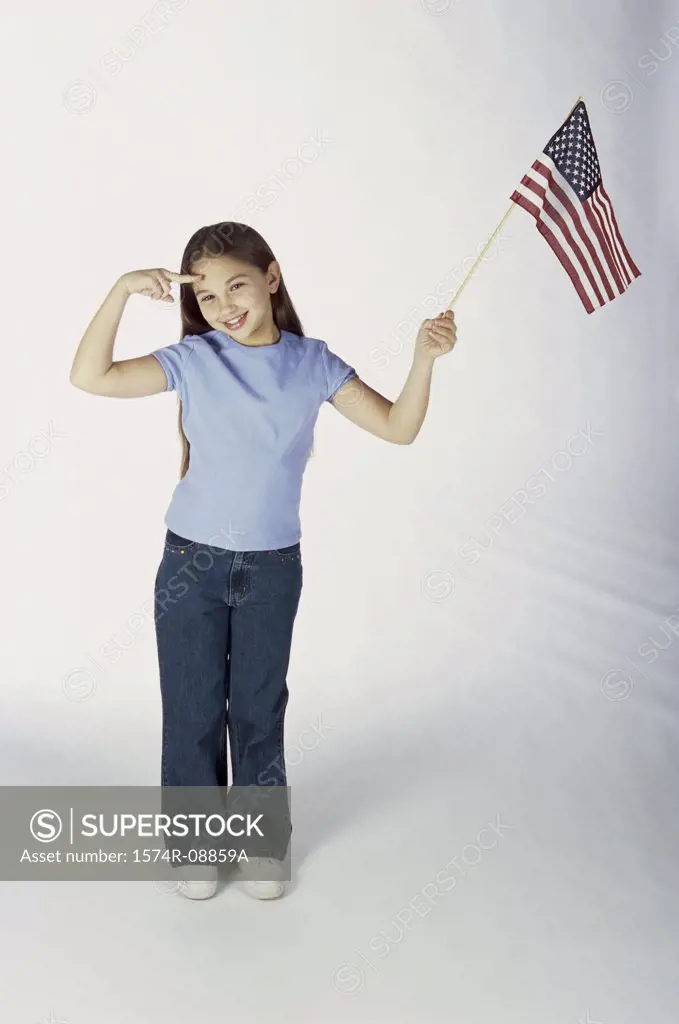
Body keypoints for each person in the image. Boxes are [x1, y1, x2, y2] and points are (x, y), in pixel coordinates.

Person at [69, 221, 457, 902]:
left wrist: (423, 359)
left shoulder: (313, 363)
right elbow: (90, 376)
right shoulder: (194, 358)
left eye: (237, 285)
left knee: (256, 707)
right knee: (191, 710)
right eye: (210, 296)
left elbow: (398, 428)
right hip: (190, 563)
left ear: (271, 277)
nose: (225, 306)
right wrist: (122, 291)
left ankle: (258, 843)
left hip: (273, 569)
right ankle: (193, 846)